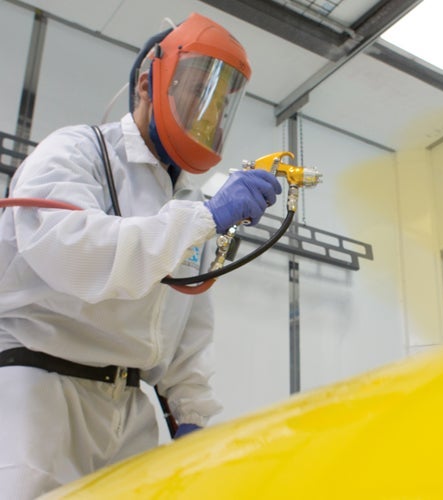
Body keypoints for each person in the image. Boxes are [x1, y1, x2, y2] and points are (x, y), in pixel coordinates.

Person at [0, 12, 281, 499]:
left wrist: (191, 416)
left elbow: (184, 331)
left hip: (130, 411)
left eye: (220, 100)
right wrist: (205, 218)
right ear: (151, 83)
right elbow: (74, 253)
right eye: (198, 89)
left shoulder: (188, 208)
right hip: (41, 396)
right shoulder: (76, 151)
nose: (209, 110)